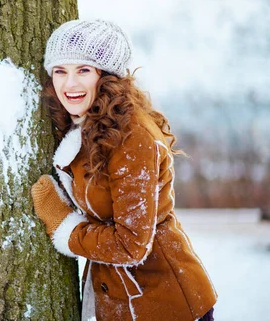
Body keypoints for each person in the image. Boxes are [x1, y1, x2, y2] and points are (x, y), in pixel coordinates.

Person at [31, 20, 217, 321]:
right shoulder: (84, 127)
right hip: (125, 302)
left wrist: (63, 224)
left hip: (165, 303)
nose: (69, 84)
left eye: (83, 70)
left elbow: (130, 245)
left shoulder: (132, 138)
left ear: (106, 76)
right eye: (60, 71)